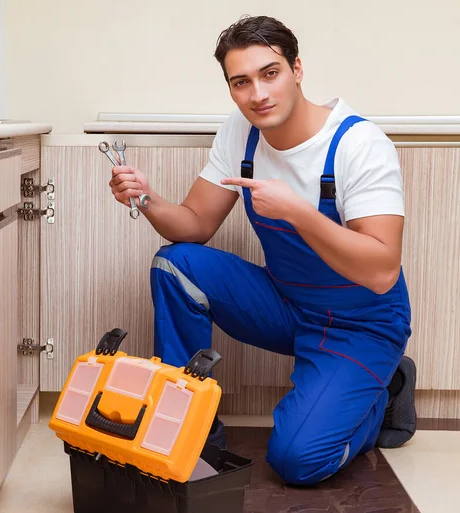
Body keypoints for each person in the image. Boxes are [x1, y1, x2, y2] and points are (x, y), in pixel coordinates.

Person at [107, 14, 417, 486]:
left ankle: (384, 389)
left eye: (270, 73)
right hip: (288, 305)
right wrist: (146, 199)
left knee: (298, 462)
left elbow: (381, 271)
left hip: (361, 323)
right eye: (241, 82)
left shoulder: (358, 144)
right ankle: (188, 430)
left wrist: (298, 211)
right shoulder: (241, 132)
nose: (259, 94)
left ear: (296, 68)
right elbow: (195, 226)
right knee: (175, 265)